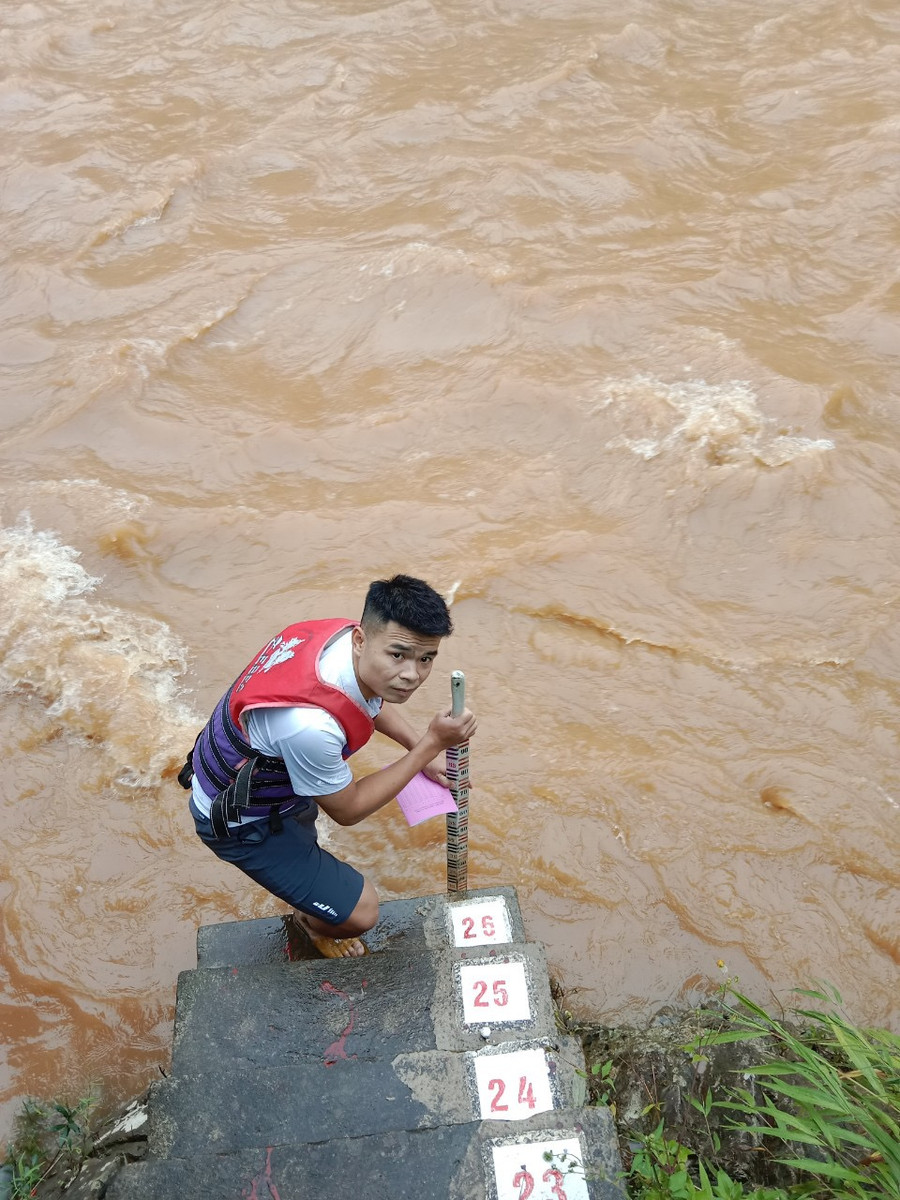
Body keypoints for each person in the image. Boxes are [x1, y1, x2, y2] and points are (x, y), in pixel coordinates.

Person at [180, 574, 476, 958]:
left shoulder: (337, 642)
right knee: (362, 912)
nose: (411, 675)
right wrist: (430, 747)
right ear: (361, 640)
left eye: (426, 659)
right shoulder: (310, 727)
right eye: (398, 655)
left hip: (267, 781)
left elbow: (364, 703)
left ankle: (309, 889)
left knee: (312, 854)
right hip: (240, 821)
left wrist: (421, 747)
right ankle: (311, 925)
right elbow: (347, 810)